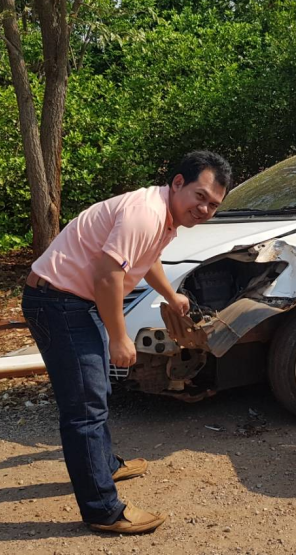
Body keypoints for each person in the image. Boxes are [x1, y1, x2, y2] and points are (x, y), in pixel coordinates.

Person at [21, 151, 230, 534]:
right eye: (200, 196)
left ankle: (106, 467)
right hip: (60, 302)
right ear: (178, 183)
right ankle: (102, 510)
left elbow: (144, 258)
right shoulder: (146, 214)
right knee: (84, 408)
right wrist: (120, 337)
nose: (205, 209)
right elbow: (106, 275)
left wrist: (170, 294)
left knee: (95, 394)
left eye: (213, 205)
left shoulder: (162, 214)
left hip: (73, 302)